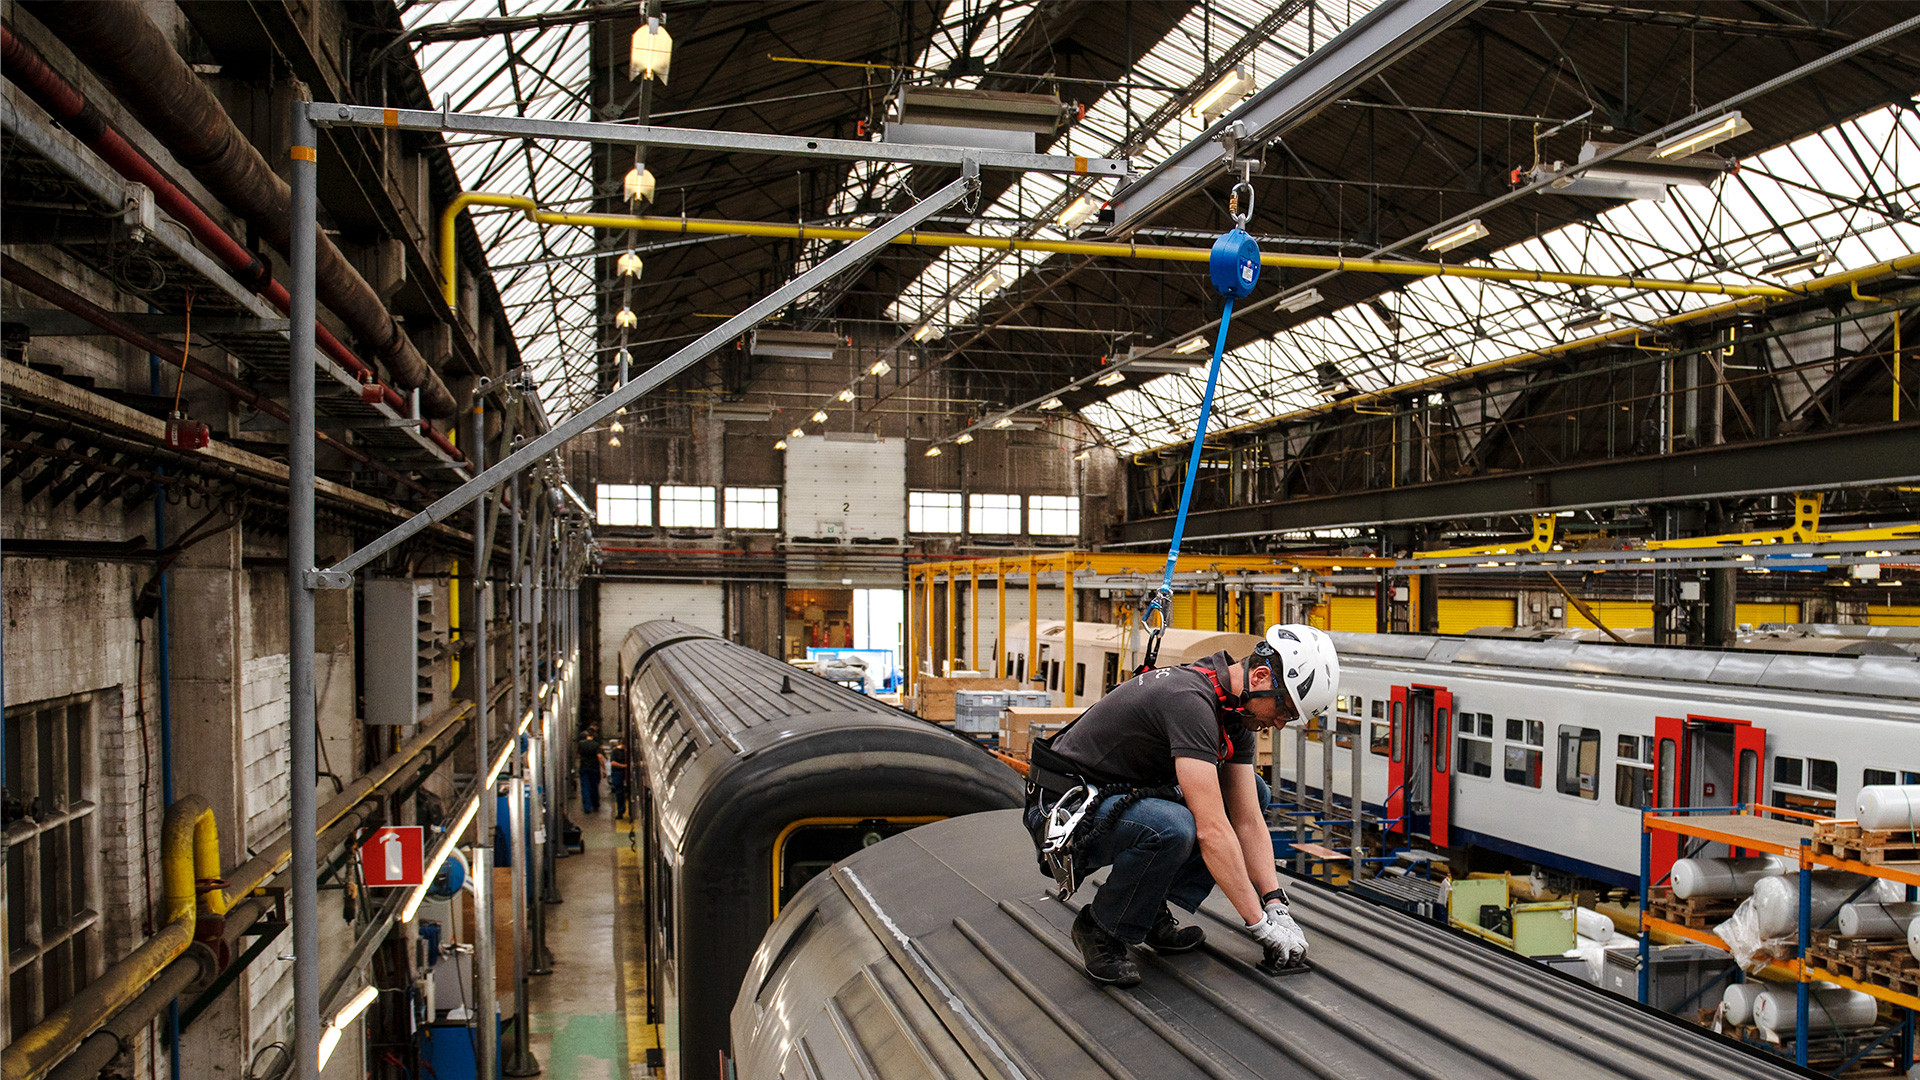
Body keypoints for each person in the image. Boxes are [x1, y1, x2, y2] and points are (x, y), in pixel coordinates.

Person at [1025, 624, 1340, 986]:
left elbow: (1248, 819)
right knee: (1172, 827)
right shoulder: (1189, 700)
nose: (1281, 723)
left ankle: (1144, 908)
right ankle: (1100, 928)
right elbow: (1212, 830)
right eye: (1284, 708)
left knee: (1256, 791)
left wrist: (1276, 904)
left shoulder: (1236, 712)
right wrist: (1259, 926)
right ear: (1260, 675)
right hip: (1065, 810)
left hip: (1115, 795)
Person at [576, 726, 603, 814]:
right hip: (594, 768)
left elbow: (578, 754)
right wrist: (604, 768)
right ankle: (595, 805)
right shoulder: (596, 745)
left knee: (585, 787)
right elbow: (599, 757)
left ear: (586, 734)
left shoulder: (581, 744)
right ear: (593, 735)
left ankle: (587, 807)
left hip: (584, 767)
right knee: (594, 787)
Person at [607, 740, 630, 820]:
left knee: (620, 792)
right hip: (617, 773)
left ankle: (622, 810)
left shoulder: (626, 752)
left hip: (621, 773)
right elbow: (613, 763)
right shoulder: (615, 752)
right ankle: (620, 811)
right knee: (619, 792)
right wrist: (624, 766)